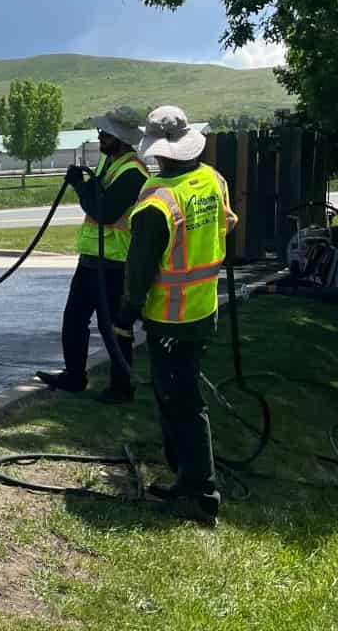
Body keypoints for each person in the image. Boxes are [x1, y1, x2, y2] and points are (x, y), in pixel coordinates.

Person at [114, 105, 237, 523]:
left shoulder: (158, 201)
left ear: (159, 151)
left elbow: (140, 269)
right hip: (204, 310)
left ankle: (203, 491)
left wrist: (125, 314)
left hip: (171, 319)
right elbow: (226, 224)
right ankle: (187, 477)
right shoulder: (212, 180)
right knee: (176, 396)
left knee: (182, 400)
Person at [36, 106, 149, 403]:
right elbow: (96, 198)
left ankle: (122, 387)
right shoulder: (108, 164)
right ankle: (74, 376)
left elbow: (105, 211)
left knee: (113, 327)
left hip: (115, 263)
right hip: (91, 258)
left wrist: (79, 185)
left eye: (104, 134)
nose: (99, 138)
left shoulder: (133, 172)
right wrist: (85, 183)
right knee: (74, 319)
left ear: (120, 138)